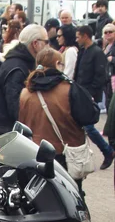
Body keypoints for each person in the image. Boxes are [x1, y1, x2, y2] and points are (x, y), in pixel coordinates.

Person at [19, 47, 89, 190]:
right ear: (57, 64)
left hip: (36, 153)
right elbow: (89, 116)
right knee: (71, 194)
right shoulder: (69, 89)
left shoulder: (26, 92)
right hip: (65, 154)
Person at [0, 24, 48, 135]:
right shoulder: (17, 67)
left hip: (11, 129)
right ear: (35, 43)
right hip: (10, 132)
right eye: (46, 42)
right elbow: (15, 106)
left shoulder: (22, 62)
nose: (47, 47)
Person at [74, 25, 113, 169]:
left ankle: (107, 151)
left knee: (88, 127)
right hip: (79, 94)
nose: (76, 39)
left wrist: (90, 94)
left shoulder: (97, 53)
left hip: (89, 96)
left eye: (78, 36)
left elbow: (100, 76)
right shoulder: (83, 51)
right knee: (80, 126)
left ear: (85, 36)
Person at [102, 23, 115, 110]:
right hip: (107, 79)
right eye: (106, 32)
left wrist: (112, 59)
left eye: (110, 32)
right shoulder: (106, 46)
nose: (108, 34)